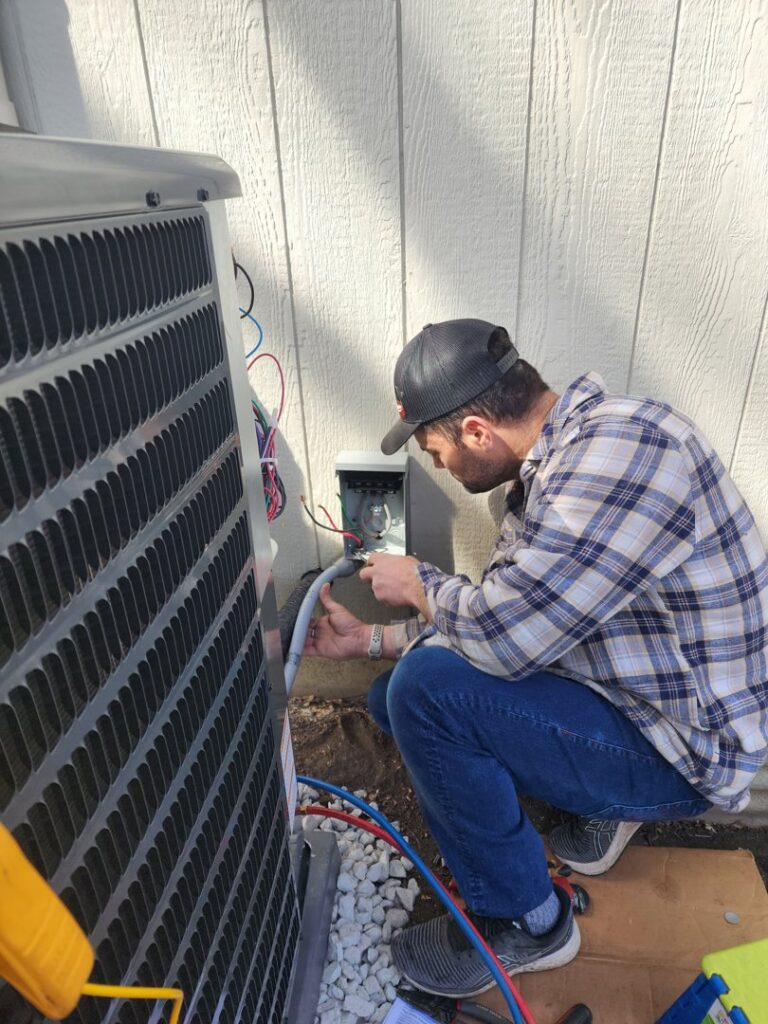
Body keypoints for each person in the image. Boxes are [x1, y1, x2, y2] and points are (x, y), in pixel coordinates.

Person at [302, 319, 768, 998]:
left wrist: (420, 585)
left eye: (436, 453)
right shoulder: (571, 457)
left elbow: (502, 636)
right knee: (395, 693)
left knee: (424, 698)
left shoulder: (613, 468)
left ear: (476, 435)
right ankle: (601, 808)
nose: (440, 468)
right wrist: (370, 643)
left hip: (687, 748)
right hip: (639, 692)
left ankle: (529, 920)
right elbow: (517, 612)